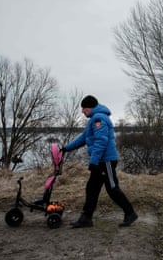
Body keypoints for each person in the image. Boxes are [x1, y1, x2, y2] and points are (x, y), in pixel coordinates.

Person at [62, 95, 138, 228]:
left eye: (84, 108)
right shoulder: (94, 119)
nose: (82, 111)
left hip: (105, 161)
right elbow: (83, 138)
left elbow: (101, 141)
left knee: (112, 188)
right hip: (100, 161)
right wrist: (66, 149)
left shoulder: (99, 119)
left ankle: (130, 213)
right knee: (91, 188)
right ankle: (86, 218)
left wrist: (94, 161)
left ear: (90, 108)